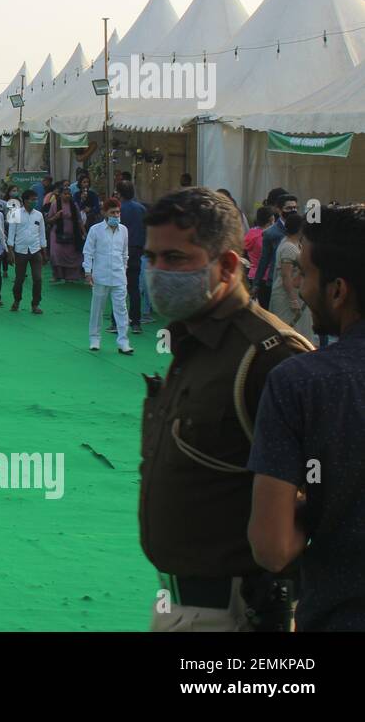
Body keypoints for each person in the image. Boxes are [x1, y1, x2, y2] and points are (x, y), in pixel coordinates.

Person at [139, 187, 310, 631]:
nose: (158, 272)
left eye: (175, 259)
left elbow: (319, 497)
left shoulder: (270, 358)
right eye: (151, 258)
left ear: (229, 265)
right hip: (178, 601)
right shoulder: (194, 340)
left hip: (236, 611)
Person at [247, 204, 365, 631]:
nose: (299, 284)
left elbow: (272, 546)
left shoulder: (300, 382)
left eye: (306, 274)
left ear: (338, 291)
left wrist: (325, 504)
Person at [83, 197, 131, 354]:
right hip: (100, 276)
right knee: (97, 309)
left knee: (121, 309)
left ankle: (123, 342)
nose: (116, 215)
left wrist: (123, 270)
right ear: (105, 213)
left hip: (119, 277)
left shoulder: (123, 230)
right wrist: (87, 272)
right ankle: (94, 339)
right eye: (113, 212)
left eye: (118, 212)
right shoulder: (95, 230)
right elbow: (88, 252)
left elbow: (125, 254)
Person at [267, 212, 314, 342]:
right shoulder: (288, 247)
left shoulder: (295, 243)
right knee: (288, 333)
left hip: (295, 293)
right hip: (286, 294)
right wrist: (293, 299)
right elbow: (285, 275)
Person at [255, 192, 299, 309]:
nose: (293, 211)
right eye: (288, 208)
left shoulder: (300, 229)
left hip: (296, 282)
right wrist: (256, 284)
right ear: (279, 210)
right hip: (276, 280)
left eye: (295, 208)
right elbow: (264, 259)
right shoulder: (271, 233)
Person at [7, 188, 47, 314]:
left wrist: (44, 252)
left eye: (36, 199)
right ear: (25, 201)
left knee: (38, 278)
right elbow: (11, 233)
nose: (35, 202)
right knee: (19, 279)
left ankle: (35, 304)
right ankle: (17, 301)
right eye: (32, 200)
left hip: (35, 251)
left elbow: (42, 234)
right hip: (20, 251)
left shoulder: (39, 215)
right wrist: (10, 251)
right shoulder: (15, 213)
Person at [115, 181, 147, 334]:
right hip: (136, 251)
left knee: (118, 288)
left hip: (119, 252)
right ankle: (136, 322)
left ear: (119, 193)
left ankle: (116, 322)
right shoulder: (141, 209)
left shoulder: (118, 210)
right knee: (134, 288)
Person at [46, 187, 85, 283]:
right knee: (56, 254)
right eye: (65, 194)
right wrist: (56, 216)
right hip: (57, 233)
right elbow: (48, 220)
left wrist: (84, 232)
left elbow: (79, 220)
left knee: (73, 255)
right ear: (60, 195)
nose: (67, 196)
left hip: (72, 234)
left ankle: (71, 276)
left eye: (69, 194)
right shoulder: (55, 205)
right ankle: (57, 276)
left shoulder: (74, 205)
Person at [244, 206, 275, 286]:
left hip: (251, 274)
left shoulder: (250, 233)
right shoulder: (267, 237)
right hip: (265, 276)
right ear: (271, 220)